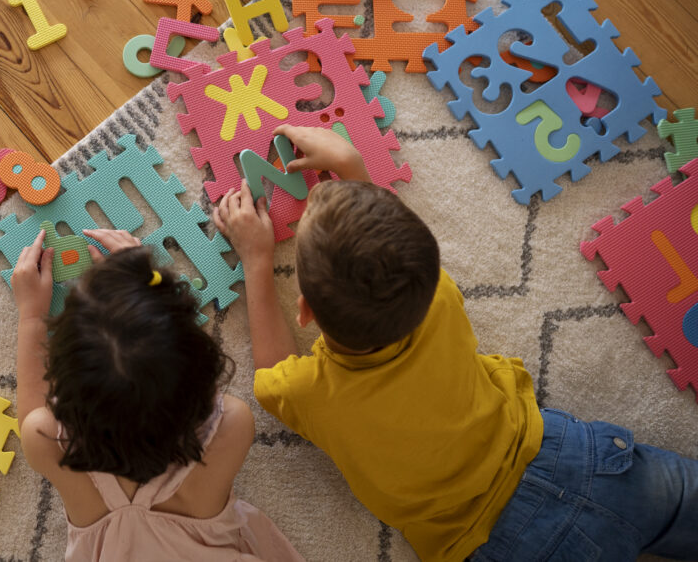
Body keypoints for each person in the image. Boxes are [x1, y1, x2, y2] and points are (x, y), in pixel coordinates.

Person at [213, 124, 698, 562]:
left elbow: (267, 375)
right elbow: (399, 249)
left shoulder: (310, 391)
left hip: (495, 543)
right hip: (578, 461)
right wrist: (353, 167)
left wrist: (256, 260)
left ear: (306, 312)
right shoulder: (438, 298)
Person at [11, 226, 305, 562]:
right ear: (202, 375)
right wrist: (146, 282)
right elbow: (176, 361)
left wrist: (31, 317)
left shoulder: (45, 441)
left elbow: (32, 416)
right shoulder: (231, 428)